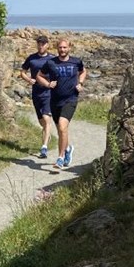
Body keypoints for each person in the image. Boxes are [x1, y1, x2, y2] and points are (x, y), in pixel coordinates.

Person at [36, 38, 87, 169]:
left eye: (65, 47)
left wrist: (80, 83)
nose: (62, 50)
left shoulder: (76, 61)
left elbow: (83, 71)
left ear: (69, 48)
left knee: (63, 127)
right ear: (57, 48)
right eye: (60, 47)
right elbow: (39, 76)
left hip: (71, 99)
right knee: (60, 131)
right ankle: (68, 148)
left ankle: (60, 157)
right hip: (55, 101)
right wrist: (47, 84)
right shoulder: (51, 63)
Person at [20, 35, 54, 158]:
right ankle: (47, 133)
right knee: (41, 121)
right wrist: (29, 80)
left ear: (47, 45)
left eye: (43, 43)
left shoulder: (52, 59)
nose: (41, 45)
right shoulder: (32, 58)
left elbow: (59, 73)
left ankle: (44, 148)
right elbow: (22, 72)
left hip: (48, 93)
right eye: (39, 43)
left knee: (46, 119)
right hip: (36, 93)